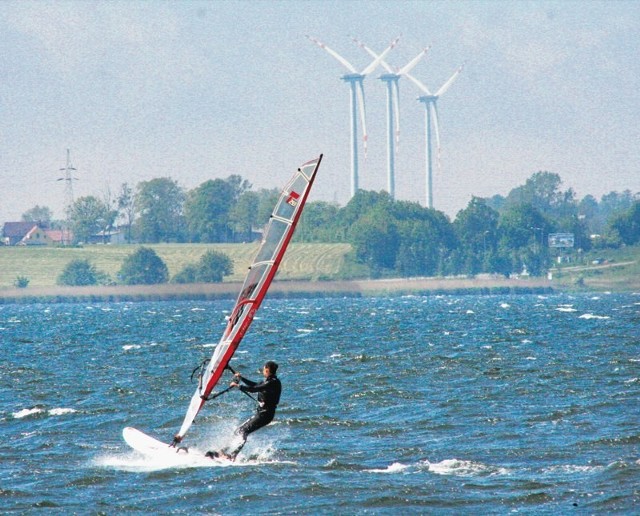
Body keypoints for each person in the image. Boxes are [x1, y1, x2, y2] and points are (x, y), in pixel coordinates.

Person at [206, 360, 281, 461]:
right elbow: (255, 385)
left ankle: (232, 455)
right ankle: (224, 452)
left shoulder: (272, 383)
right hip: (262, 414)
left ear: (267, 370)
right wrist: (241, 379)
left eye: (264, 369)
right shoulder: (269, 381)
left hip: (265, 415)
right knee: (239, 431)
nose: (263, 370)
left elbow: (254, 389)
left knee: (243, 431)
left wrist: (238, 386)